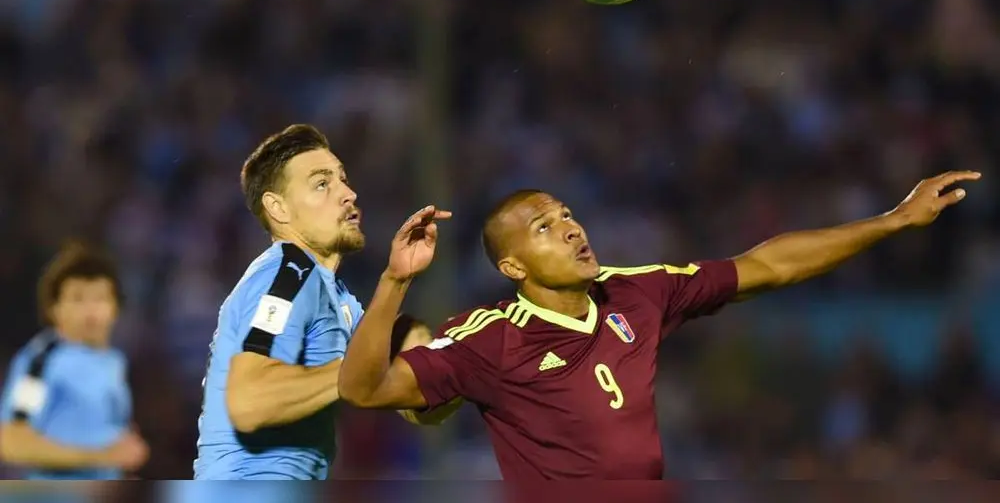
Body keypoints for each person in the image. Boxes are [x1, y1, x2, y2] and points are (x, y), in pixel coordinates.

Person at [338, 170, 981, 480]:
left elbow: (766, 266)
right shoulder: (491, 339)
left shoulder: (636, 291)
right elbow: (363, 390)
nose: (569, 228)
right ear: (512, 265)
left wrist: (892, 219)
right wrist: (395, 280)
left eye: (566, 214)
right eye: (544, 227)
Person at [193, 124, 452, 480]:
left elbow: (412, 402)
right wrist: (364, 365)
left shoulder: (338, 296)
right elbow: (249, 403)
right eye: (321, 184)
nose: (348, 193)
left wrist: (451, 367)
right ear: (278, 208)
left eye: (343, 179)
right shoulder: (289, 273)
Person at [0, 242, 149, 479]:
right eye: (78, 299)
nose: (91, 311)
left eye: (100, 298)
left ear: (116, 308)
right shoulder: (42, 360)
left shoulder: (113, 361)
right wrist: (102, 456)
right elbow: (11, 441)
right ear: (53, 308)